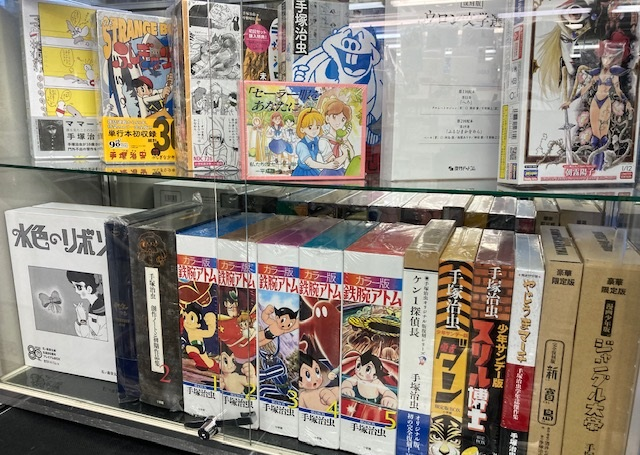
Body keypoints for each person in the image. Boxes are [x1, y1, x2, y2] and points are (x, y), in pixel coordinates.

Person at [561, 39, 633, 169]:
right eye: (605, 56)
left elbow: (618, 91)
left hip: (606, 103)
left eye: (610, 57)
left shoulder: (614, 75)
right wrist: (570, 101)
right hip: (595, 103)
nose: (607, 60)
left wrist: (627, 102)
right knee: (595, 134)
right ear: (601, 57)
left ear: (614, 59)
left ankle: (600, 166)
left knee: (603, 134)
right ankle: (594, 166)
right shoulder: (596, 73)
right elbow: (585, 89)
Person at [290, 107, 339, 177]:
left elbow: (324, 148)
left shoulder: (317, 139)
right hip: (302, 173)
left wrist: (331, 159)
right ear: (302, 129)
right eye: (310, 127)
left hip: (314, 170)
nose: (314, 130)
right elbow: (310, 163)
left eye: (317, 127)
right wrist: (327, 166)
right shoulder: (301, 145)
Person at [66, 271, 107, 341]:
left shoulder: (100, 310)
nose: (76, 291)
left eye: (79, 287)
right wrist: (80, 318)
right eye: (74, 287)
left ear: (89, 289)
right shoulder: (93, 307)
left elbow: (91, 338)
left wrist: (82, 320)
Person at [319, 98, 353, 176]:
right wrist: (344, 154)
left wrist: (346, 140)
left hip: (342, 172)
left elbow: (352, 157)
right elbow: (333, 164)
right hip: (329, 173)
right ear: (327, 118)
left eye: (343, 119)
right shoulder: (324, 140)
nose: (338, 122)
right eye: (334, 117)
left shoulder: (342, 139)